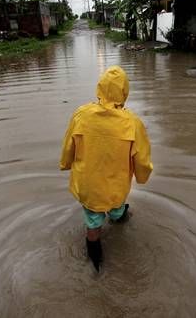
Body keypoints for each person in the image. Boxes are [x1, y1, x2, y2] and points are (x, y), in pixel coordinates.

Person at [59, 65, 153, 271]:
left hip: (89, 186)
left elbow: (68, 146)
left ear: (99, 88)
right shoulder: (132, 123)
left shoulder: (81, 115)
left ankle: (96, 262)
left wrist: (65, 164)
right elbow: (142, 159)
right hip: (115, 187)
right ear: (124, 92)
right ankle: (119, 218)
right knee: (117, 207)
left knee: (93, 222)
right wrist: (142, 176)